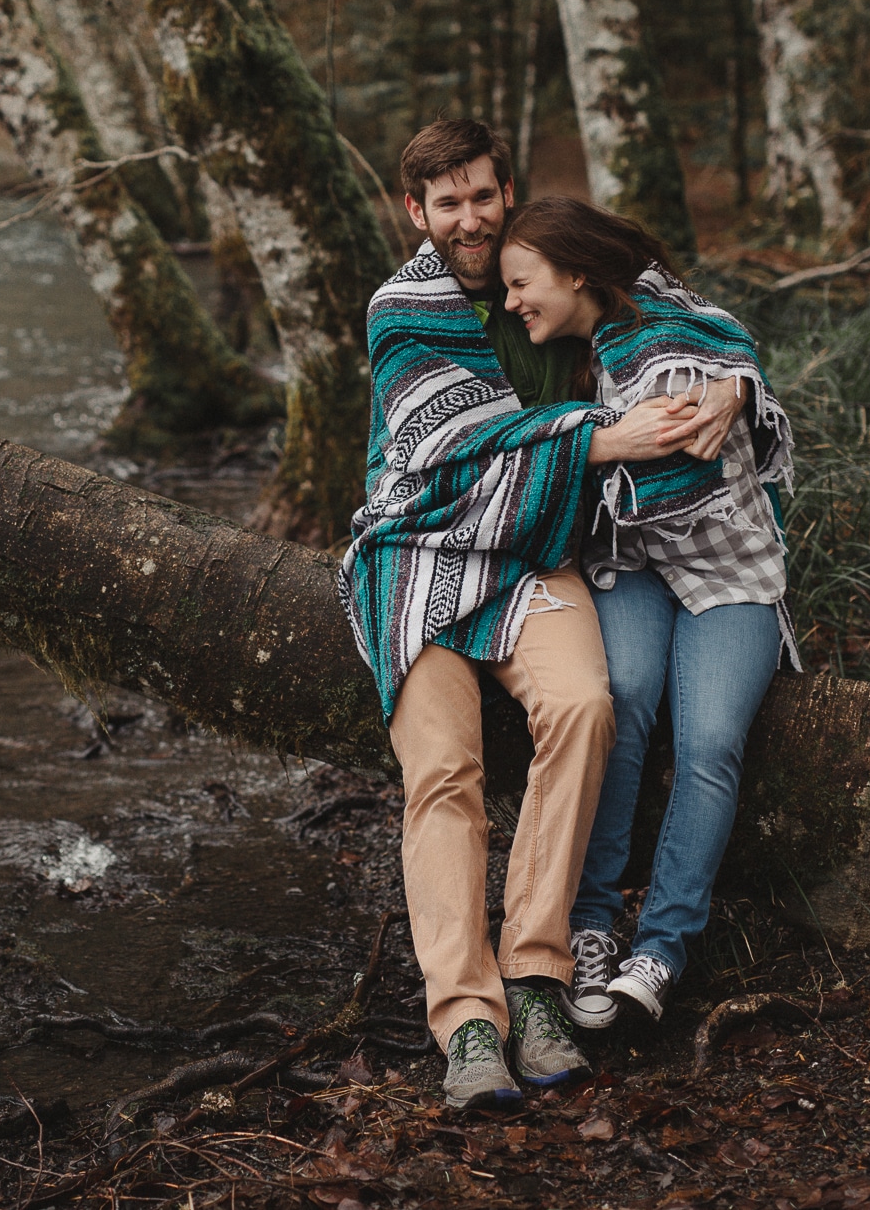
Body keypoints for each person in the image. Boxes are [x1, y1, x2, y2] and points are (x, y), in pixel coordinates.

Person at [338, 121, 743, 1109]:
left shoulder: (551, 261)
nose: (468, 220)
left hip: (533, 549)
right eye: (446, 204)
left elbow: (689, 319)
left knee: (583, 708)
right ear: (415, 213)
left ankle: (534, 980)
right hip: (420, 548)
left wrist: (731, 385)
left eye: (481, 197)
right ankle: (466, 1020)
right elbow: (454, 447)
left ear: (504, 190)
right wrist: (602, 439)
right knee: (444, 770)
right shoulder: (402, 307)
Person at [495, 195, 799, 1032]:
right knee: (622, 695)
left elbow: (670, 472)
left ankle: (660, 947)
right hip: (631, 565)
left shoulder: (666, 345)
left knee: (708, 742)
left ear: (577, 272)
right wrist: (599, 430)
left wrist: (734, 388)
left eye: (524, 284)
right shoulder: (585, 344)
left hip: (725, 572)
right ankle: (591, 927)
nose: (513, 301)